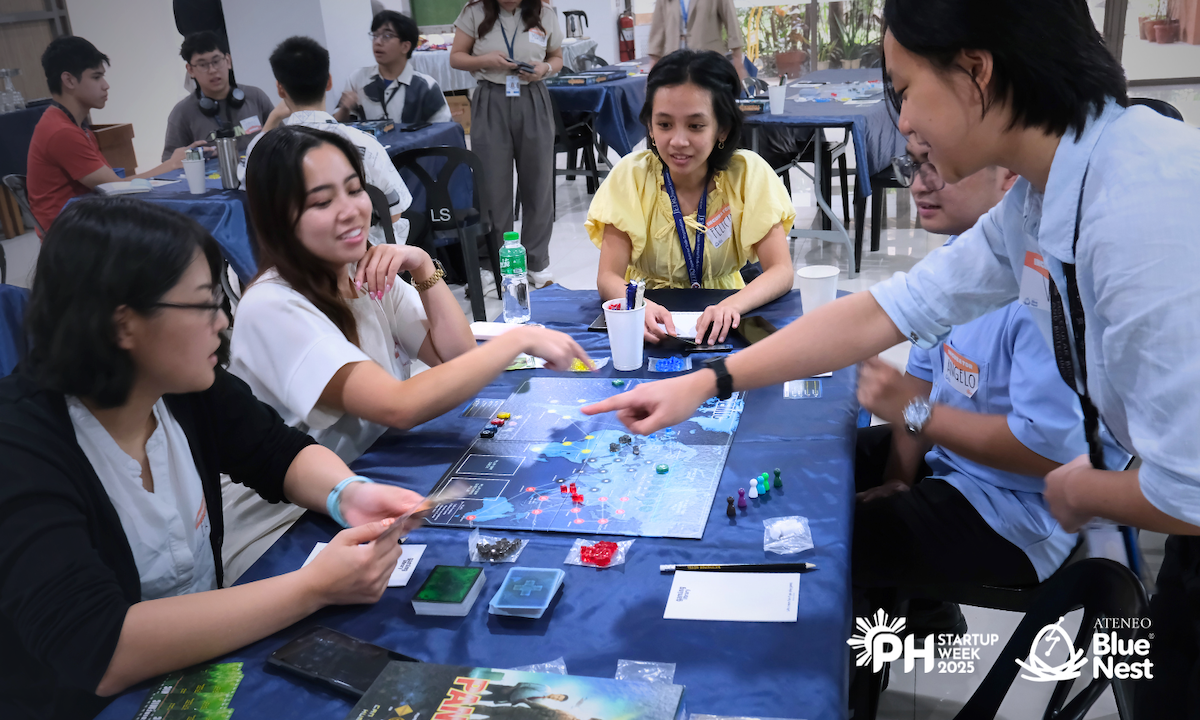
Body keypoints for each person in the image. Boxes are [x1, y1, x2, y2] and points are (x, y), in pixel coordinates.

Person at [582, 2, 1200, 714]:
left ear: (976, 71)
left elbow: (1183, 489)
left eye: (904, 91)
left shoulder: (1135, 207)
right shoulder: (1044, 195)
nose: (899, 123)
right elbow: (886, 310)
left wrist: (1082, 491)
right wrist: (712, 379)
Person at [0, 196, 429, 720]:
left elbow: (275, 451)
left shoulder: (179, 385)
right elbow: (100, 648)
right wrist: (313, 587)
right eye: (204, 303)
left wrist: (348, 493)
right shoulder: (20, 446)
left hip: (203, 672)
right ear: (124, 325)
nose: (223, 322)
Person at [224, 126, 591, 578]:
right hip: (283, 523)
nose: (350, 211)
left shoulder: (360, 267)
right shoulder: (272, 306)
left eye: (354, 190)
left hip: (369, 476)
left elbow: (454, 356)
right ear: (279, 221)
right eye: (322, 202)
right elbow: (400, 408)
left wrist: (421, 264)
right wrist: (516, 338)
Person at [853, 154, 1129, 640]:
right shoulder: (956, 260)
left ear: (1010, 176)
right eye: (913, 165)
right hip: (953, 463)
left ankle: (855, 668)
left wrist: (918, 414)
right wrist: (900, 479)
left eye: (939, 165)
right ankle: (922, 609)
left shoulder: (1045, 291)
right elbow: (918, 384)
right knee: (826, 462)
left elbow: (1045, 451)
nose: (919, 185)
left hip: (1020, 512)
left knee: (834, 539)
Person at [587, 50, 794, 345]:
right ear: (649, 125)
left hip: (724, 317)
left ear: (722, 128)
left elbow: (781, 271)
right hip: (650, 322)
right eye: (664, 124)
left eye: (695, 126)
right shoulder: (630, 176)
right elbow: (608, 276)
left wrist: (732, 305)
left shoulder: (747, 174)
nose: (678, 141)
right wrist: (636, 306)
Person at [241, 35, 412, 245]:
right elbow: (393, 213)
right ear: (329, 81)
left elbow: (249, 194)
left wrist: (273, 118)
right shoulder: (363, 144)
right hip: (363, 262)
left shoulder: (263, 149)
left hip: (292, 260)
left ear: (280, 89)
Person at [26, 36, 199, 235]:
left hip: (85, 220)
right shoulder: (61, 131)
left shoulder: (72, 125)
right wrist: (172, 164)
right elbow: (115, 188)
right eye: (96, 77)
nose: (106, 85)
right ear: (69, 80)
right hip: (71, 237)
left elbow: (111, 185)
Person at [449, 0, 564, 288]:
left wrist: (545, 68)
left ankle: (537, 260)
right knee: (491, 187)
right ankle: (492, 262)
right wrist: (485, 61)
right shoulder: (474, 12)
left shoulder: (544, 13)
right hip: (491, 98)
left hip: (533, 96)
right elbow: (457, 57)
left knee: (538, 184)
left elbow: (557, 57)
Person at [162, 31, 274, 161]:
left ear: (228, 61)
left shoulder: (255, 97)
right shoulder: (182, 113)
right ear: (190, 70)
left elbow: (284, 142)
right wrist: (190, 156)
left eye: (216, 61)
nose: (212, 70)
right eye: (203, 65)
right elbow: (169, 164)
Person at [333, 10, 452, 125]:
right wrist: (345, 109)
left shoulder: (426, 87)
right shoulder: (357, 79)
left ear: (405, 46)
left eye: (387, 35)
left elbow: (444, 131)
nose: (377, 42)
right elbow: (335, 127)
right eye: (375, 35)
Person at [647, 0, 748, 80]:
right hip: (674, 60)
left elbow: (731, 22)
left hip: (708, 60)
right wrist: (653, 64)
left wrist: (738, 62)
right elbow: (657, 28)